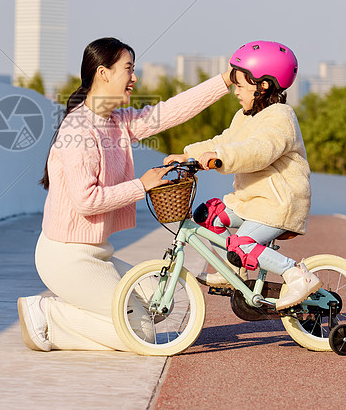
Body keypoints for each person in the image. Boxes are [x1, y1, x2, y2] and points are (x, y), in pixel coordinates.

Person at [17, 37, 232, 352]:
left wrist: (224, 81)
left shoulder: (115, 121)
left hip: (97, 252)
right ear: (103, 73)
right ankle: (48, 316)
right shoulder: (79, 130)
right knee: (141, 331)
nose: (134, 77)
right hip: (66, 257)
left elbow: (169, 111)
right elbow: (86, 201)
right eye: (128, 69)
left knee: (157, 304)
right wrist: (142, 185)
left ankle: (78, 311)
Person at [164, 40, 320, 311]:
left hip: (278, 204)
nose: (235, 91)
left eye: (240, 84)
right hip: (252, 200)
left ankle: (297, 275)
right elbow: (224, 140)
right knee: (207, 215)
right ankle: (234, 272)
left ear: (263, 85)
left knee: (242, 244)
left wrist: (222, 158)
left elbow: (257, 151)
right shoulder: (244, 116)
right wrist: (189, 155)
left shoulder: (281, 117)